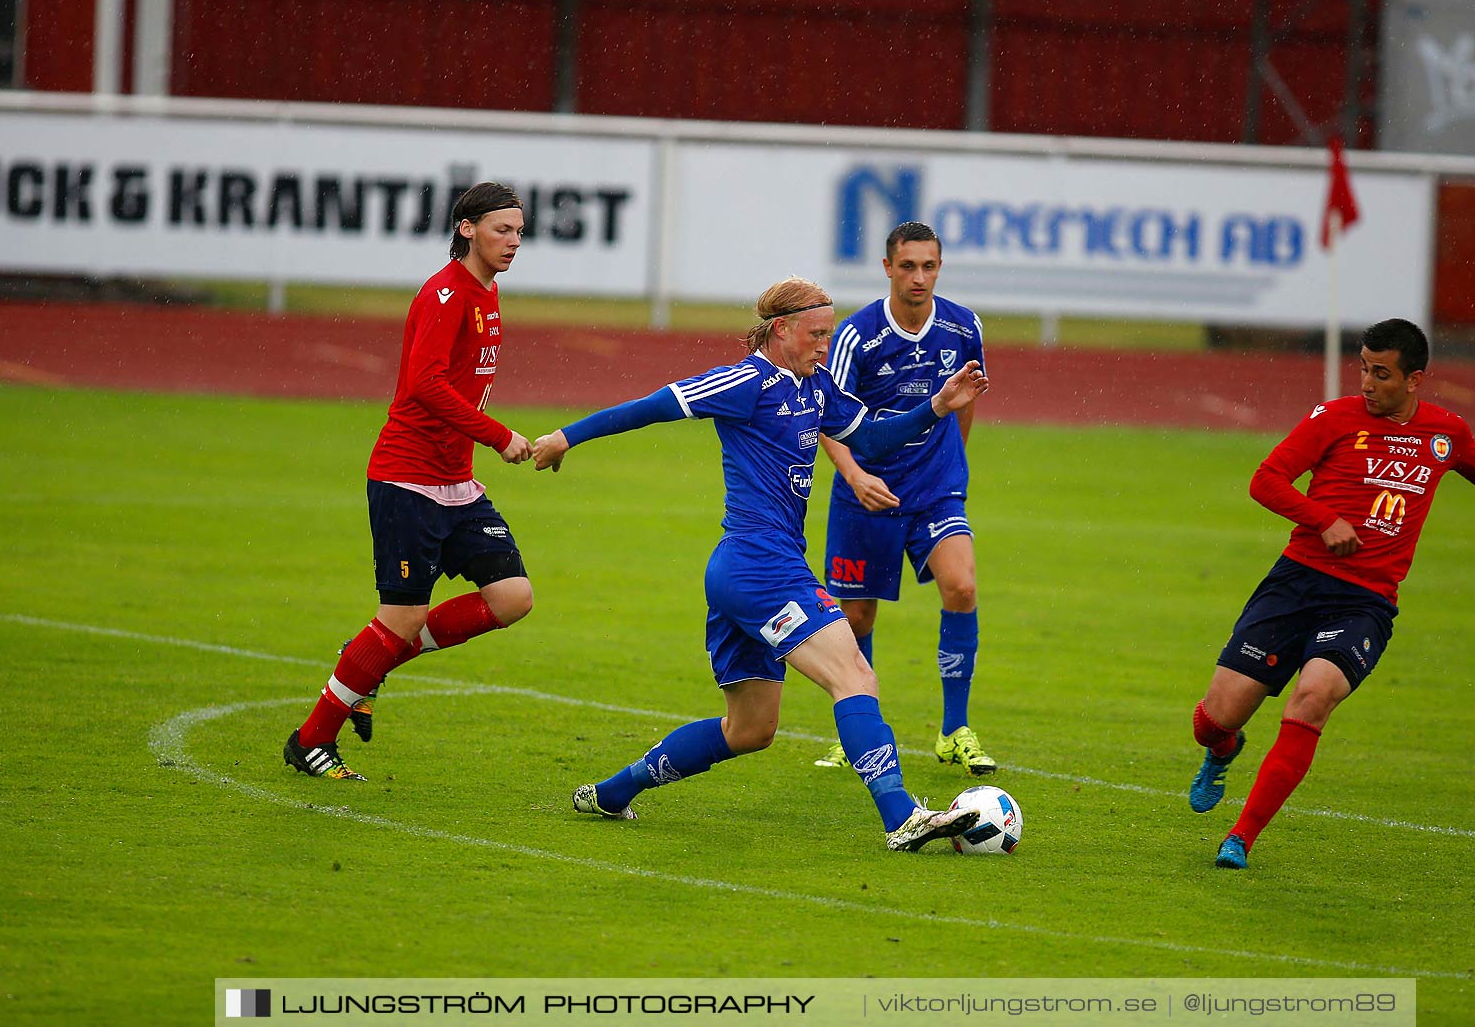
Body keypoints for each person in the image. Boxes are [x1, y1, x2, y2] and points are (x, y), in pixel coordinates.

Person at [529, 277, 991, 850]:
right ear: (782, 329)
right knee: (854, 675)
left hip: (743, 573)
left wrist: (937, 407)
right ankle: (901, 817)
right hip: (761, 567)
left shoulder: (816, 384)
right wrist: (564, 438)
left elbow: (870, 441)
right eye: (817, 334)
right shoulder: (745, 380)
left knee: (750, 729)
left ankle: (613, 792)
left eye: (830, 333)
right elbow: (652, 407)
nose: (828, 344)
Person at [1187, 319, 1475, 869]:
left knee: (1313, 697)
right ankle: (1223, 749)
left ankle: (1241, 838)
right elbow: (1266, 480)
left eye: (1381, 373)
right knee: (1214, 719)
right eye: (1363, 368)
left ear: (1415, 379)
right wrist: (1324, 520)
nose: (1367, 383)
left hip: (1365, 601)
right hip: (1297, 583)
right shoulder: (1333, 418)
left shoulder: (1445, 433)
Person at [282, 182, 536, 781]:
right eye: (503, 230)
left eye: (520, 232)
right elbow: (424, 385)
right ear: (467, 227)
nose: (514, 242)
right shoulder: (447, 293)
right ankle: (311, 738)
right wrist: (499, 436)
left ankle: (370, 660)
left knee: (512, 598)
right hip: (408, 480)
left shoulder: (487, 292)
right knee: (401, 617)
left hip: (456, 483)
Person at [811, 222, 995, 776]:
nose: (920, 277)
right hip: (866, 494)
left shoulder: (964, 327)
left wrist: (950, 465)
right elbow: (826, 415)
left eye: (930, 266)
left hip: (935, 489)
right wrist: (856, 476)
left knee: (961, 585)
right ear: (887, 267)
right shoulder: (856, 336)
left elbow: (966, 398)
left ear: (940, 268)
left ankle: (955, 729)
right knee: (859, 618)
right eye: (909, 266)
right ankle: (859, 731)